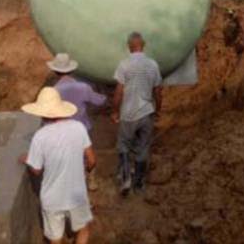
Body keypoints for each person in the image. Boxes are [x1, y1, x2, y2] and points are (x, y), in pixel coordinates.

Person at [21, 87, 96, 244]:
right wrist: (86, 172)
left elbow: (36, 170)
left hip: (52, 199)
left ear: (42, 113)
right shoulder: (78, 127)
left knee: (55, 238)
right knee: (83, 229)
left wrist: (28, 159)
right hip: (77, 195)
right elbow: (92, 160)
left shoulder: (40, 137)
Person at [111, 32, 163, 196]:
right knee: (143, 148)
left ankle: (126, 180)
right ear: (144, 45)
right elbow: (158, 90)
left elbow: (119, 92)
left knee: (124, 146)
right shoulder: (152, 65)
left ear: (129, 46)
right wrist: (158, 109)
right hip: (147, 112)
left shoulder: (124, 65)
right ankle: (139, 184)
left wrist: (114, 111)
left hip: (128, 114)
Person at [49, 52, 107, 190]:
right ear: (72, 69)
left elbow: (50, 114)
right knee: (88, 155)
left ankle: (75, 182)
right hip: (82, 128)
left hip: (63, 130)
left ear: (55, 71)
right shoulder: (83, 87)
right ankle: (91, 180)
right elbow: (99, 101)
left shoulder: (54, 91)